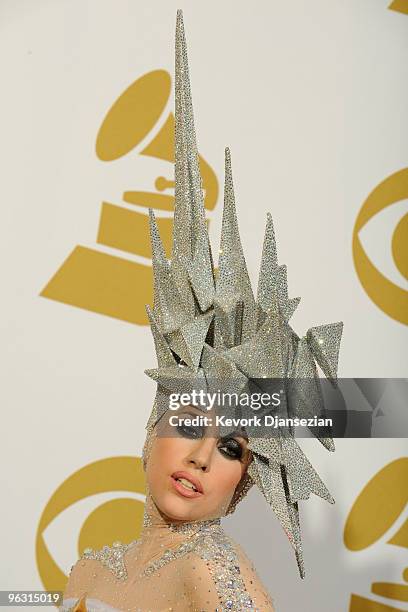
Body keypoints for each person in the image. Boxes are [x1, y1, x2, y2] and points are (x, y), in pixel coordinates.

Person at [61, 9, 343, 611]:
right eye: (189, 423)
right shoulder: (88, 571)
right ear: (151, 428)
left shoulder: (209, 568)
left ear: (244, 484)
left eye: (233, 447)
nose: (199, 456)